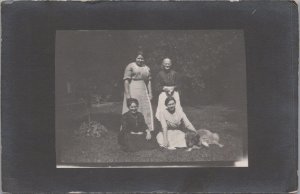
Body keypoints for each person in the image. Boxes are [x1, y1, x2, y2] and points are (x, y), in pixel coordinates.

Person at [122, 52, 154, 131]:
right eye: (138, 58)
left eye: (142, 58)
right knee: (133, 106)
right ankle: (130, 129)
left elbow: (149, 81)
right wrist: (128, 94)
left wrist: (150, 93)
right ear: (135, 58)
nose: (140, 60)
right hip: (133, 88)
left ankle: (146, 129)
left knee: (145, 108)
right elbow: (126, 80)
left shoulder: (147, 68)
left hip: (143, 90)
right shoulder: (131, 66)